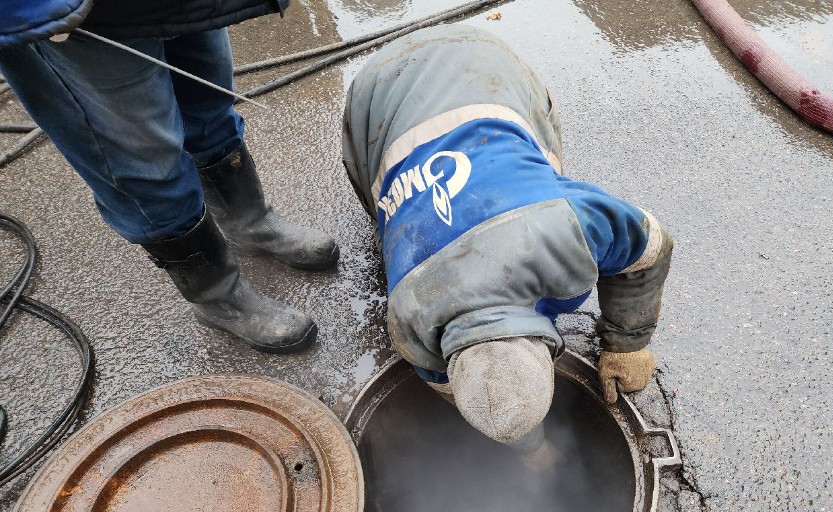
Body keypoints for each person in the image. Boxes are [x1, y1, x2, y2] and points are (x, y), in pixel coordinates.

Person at [343, 25, 674, 445]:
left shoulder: (561, 226)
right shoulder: (406, 315)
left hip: (480, 68)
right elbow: (465, 393)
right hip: (376, 96)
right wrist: (529, 447)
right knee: (384, 206)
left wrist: (629, 343)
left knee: (533, 168)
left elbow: (651, 247)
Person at [0, 0, 338, 353]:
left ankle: (250, 225)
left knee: (209, 109)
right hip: (67, 12)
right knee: (142, 164)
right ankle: (218, 298)